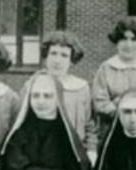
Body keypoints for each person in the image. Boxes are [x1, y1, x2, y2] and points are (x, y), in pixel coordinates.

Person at [41, 30, 98, 161]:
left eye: (64, 55)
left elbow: (90, 124)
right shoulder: (34, 84)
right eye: (53, 53)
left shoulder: (81, 87)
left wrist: (91, 150)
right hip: (42, 155)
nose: (57, 60)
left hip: (74, 153)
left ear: (72, 60)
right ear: (46, 56)